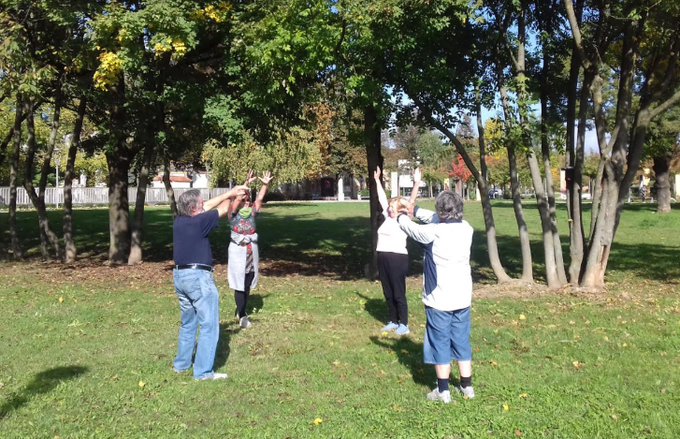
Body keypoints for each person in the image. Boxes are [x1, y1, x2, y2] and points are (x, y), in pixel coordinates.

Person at [395, 191, 475, 402]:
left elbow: (410, 227)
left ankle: (443, 391)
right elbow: (439, 218)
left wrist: (399, 214)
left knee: (439, 342)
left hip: (439, 299)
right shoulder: (467, 228)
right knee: (461, 339)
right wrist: (415, 210)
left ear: (441, 211)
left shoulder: (433, 233)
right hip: (463, 297)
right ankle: (467, 386)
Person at [172, 185, 248, 380]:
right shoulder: (200, 222)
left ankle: (181, 364)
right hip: (198, 278)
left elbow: (206, 206)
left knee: (188, 323)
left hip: (180, 277)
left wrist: (231, 193)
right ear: (195, 209)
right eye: (201, 202)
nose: (204, 204)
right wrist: (233, 194)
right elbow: (223, 208)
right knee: (209, 325)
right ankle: (203, 372)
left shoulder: (179, 221)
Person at [373, 166, 420, 336]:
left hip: (397, 258)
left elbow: (411, 201)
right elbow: (381, 198)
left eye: (393, 207)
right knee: (388, 291)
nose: (390, 209)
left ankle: (404, 324)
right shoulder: (388, 217)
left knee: (398, 291)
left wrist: (416, 183)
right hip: (383, 256)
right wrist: (377, 180)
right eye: (390, 206)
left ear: (400, 209)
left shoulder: (404, 219)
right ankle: (393, 320)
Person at [228, 170, 273, 329]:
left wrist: (264, 185)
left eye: (249, 199)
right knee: (239, 283)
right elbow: (237, 197)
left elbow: (260, 198)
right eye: (244, 199)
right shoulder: (232, 213)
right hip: (237, 252)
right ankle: (242, 315)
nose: (247, 201)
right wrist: (245, 184)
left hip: (250, 253)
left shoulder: (253, 212)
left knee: (247, 283)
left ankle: (242, 310)